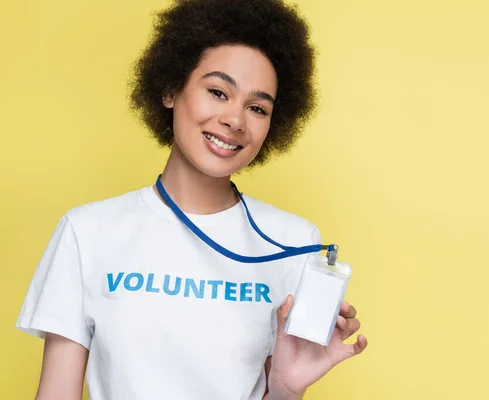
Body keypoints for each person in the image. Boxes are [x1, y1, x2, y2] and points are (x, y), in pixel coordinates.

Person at [16, 0, 367, 399]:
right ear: (170, 89)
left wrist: (285, 388)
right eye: (218, 92)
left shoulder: (292, 242)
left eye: (256, 107)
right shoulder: (88, 232)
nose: (235, 120)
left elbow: (281, 387)